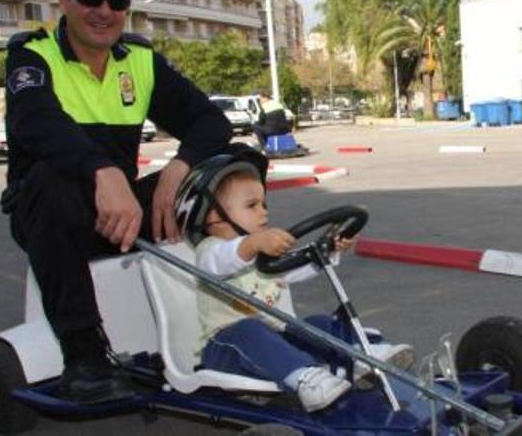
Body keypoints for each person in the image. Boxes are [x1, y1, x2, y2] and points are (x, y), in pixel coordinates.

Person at [2, 0, 232, 404]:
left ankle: (236, 318)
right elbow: (35, 123)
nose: (104, 12)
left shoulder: (139, 61)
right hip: (51, 214)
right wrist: (102, 171)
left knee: (233, 165)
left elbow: (211, 122)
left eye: (117, 2)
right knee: (51, 182)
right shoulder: (32, 57)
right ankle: (84, 357)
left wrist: (178, 170)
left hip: (120, 213)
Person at [174, 147, 414, 412]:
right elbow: (225, 261)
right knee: (250, 329)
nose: (264, 213)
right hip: (226, 349)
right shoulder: (211, 251)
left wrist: (329, 249)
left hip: (276, 340)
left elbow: (295, 268)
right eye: (252, 206)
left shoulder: (260, 253)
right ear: (213, 216)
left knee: (314, 324)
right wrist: (253, 243)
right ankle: (306, 378)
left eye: (264, 204)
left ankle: (363, 354)